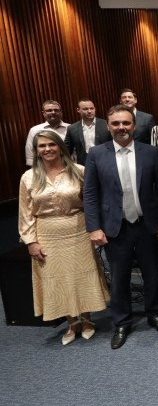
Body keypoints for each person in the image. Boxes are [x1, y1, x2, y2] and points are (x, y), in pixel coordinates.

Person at [84, 105, 158, 349]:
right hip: (115, 227)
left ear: (134, 125)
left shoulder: (150, 152)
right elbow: (90, 194)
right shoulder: (96, 153)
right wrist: (94, 227)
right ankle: (122, 322)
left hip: (147, 225)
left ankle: (155, 314)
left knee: (152, 274)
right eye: (116, 123)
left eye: (126, 123)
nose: (121, 127)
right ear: (108, 126)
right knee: (119, 278)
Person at [19, 130, 108, 345]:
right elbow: (25, 212)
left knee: (82, 275)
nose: (47, 149)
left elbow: (91, 203)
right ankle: (71, 322)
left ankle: (87, 320)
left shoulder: (79, 171)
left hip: (78, 229)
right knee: (57, 280)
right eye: (42, 146)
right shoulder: (28, 177)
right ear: (37, 151)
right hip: (47, 234)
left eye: (52, 144)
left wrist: (96, 229)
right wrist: (30, 241)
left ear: (60, 147)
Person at [64, 98, 110, 167]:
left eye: (91, 108)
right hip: (83, 166)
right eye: (85, 109)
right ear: (78, 110)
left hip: (105, 163)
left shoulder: (106, 124)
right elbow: (66, 150)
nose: (89, 111)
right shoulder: (72, 128)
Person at [25, 100, 70, 166]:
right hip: (43, 169)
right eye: (49, 110)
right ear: (43, 113)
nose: (53, 112)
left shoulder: (71, 128)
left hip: (69, 167)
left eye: (56, 110)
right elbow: (30, 156)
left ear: (61, 112)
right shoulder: (35, 130)